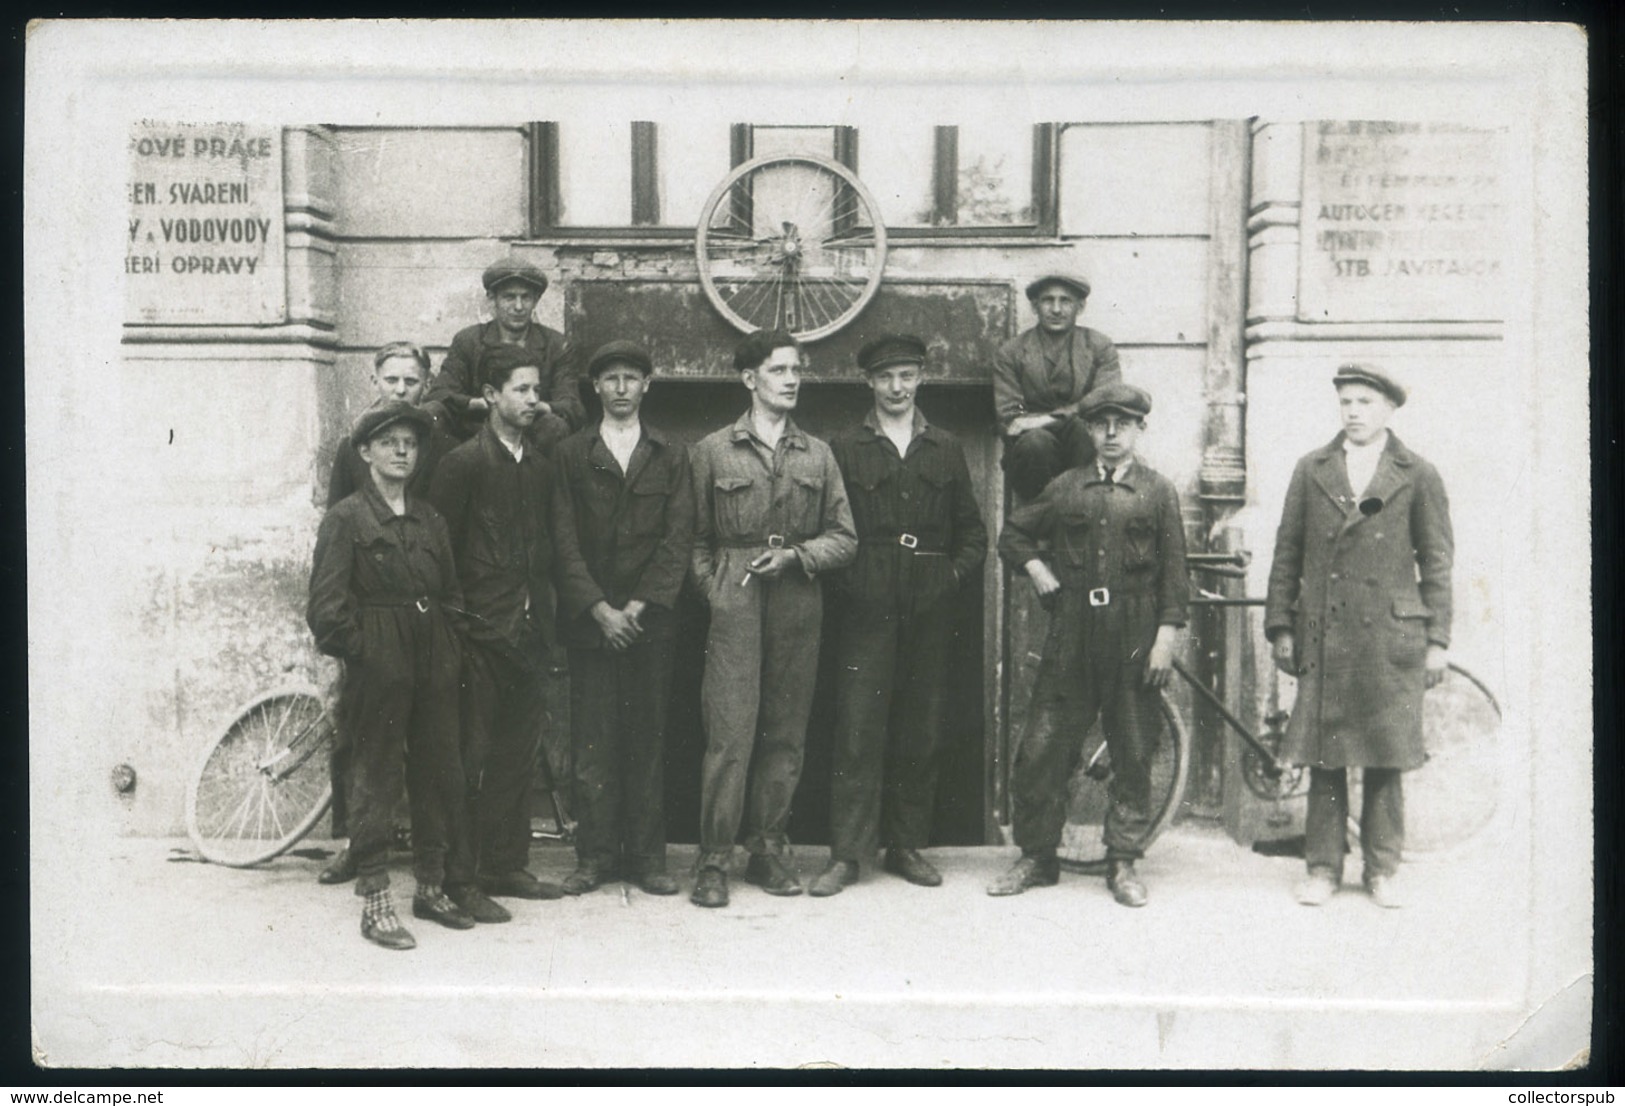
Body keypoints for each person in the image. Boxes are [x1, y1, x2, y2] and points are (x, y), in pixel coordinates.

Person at [989, 382, 1188, 907]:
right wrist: (1038, 569)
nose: (1112, 434)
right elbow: (1012, 534)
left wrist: (1165, 637)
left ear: (1140, 430)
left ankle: (1122, 861)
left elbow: (1175, 574)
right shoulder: (1066, 487)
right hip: (1072, 630)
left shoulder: (1157, 491)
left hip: (1134, 630)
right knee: (1043, 747)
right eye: (1101, 424)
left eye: (1123, 424)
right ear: (1090, 430)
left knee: (1133, 747)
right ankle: (1037, 856)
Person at [1263, 364, 1454, 910]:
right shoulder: (1312, 469)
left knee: (1386, 756)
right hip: (1326, 633)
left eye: (1365, 402)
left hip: (1390, 637)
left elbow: (1438, 563)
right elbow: (1287, 554)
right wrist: (1281, 625)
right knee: (1325, 754)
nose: (1352, 411)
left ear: (1389, 409)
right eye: (1345, 401)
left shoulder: (1417, 473)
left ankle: (1382, 869)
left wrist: (1437, 640)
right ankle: (1323, 868)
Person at [812, 334, 987, 897]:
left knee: (920, 725)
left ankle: (906, 845)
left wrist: (948, 579)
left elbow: (974, 535)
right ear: (869, 382)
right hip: (868, 603)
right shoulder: (845, 446)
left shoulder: (945, 447)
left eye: (907, 376)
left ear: (921, 380)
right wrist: (854, 584)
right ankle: (847, 854)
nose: (896, 387)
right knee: (858, 729)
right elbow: (826, 528)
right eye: (886, 377)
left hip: (928, 601)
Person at [688, 329, 857, 908]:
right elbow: (694, 539)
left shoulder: (818, 454)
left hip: (796, 596)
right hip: (735, 593)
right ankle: (713, 859)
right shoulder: (712, 451)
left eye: (796, 370)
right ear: (749, 379)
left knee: (785, 732)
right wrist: (715, 591)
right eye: (780, 370)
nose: (791, 380)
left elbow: (845, 538)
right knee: (730, 732)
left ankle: (767, 849)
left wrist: (798, 556)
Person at [306, 401, 478, 949]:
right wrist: (369, 652)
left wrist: (446, 648)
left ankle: (430, 887)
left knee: (438, 770)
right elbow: (326, 611)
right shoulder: (347, 519)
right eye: (389, 443)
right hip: (379, 664)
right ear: (365, 453)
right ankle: (376, 899)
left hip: (433, 659)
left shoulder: (430, 519)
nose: (403, 451)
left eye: (410, 443)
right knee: (374, 776)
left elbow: (451, 595)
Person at [550, 340, 696, 897]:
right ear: (595, 388)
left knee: (646, 741)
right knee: (592, 744)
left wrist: (637, 607)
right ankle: (594, 858)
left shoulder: (669, 453)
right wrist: (598, 609)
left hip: (648, 624)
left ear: (646, 386)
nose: (620, 389)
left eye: (630, 378)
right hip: (592, 626)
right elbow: (563, 541)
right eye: (609, 379)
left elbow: (677, 539)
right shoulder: (570, 453)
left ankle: (647, 859)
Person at [429, 345, 565, 913]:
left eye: (537, 390)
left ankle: (506, 866)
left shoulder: (538, 465)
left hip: (530, 634)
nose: (535, 401)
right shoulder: (462, 464)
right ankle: (461, 880)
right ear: (491, 396)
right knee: (468, 761)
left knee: (516, 756)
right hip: (479, 637)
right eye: (522, 390)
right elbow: (439, 559)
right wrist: (462, 632)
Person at [319, 341, 455, 887]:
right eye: (392, 379)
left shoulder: (433, 468)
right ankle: (365, 859)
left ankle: (433, 879)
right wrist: (361, 643)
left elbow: (443, 557)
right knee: (366, 751)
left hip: (423, 629)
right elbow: (334, 550)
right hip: (371, 624)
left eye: (412, 381)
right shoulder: (352, 469)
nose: (401, 389)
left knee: (432, 757)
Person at [426, 255, 584, 451]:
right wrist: (482, 403)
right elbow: (439, 394)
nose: (518, 307)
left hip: (531, 436)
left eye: (525, 297)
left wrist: (531, 405)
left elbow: (572, 406)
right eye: (509, 297)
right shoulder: (469, 340)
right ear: (493, 299)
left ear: (535, 300)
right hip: (474, 434)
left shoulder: (555, 344)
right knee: (432, 413)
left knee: (554, 426)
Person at [992, 273, 1122, 501]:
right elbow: (1010, 418)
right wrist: (1038, 425)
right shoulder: (1011, 352)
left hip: (1084, 445)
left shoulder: (1099, 346)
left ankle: (1084, 512)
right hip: (1033, 458)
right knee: (1036, 443)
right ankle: (1040, 519)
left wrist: (1045, 419)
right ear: (1035, 306)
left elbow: (1105, 401)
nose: (1056, 309)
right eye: (1047, 300)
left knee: (1083, 431)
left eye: (1065, 301)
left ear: (1080, 307)